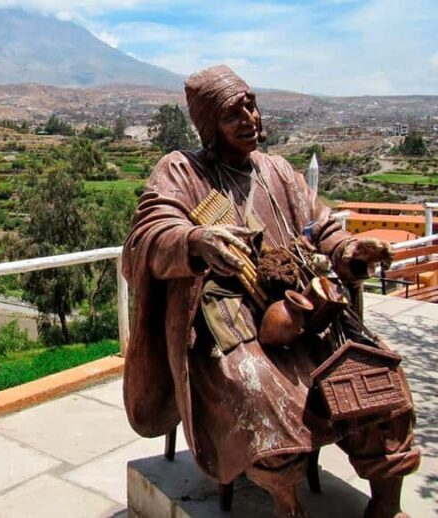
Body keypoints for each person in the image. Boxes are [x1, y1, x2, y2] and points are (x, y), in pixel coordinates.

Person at [121, 65, 419, 518]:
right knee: (259, 391)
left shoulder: (276, 171)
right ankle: (286, 502)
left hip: (303, 320)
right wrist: (194, 241)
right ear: (209, 125)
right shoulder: (182, 171)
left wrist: (350, 249)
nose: (250, 119)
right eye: (233, 113)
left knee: (376, 368)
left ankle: (386, 504)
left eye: (252, 106)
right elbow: (147, 237)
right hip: (226, 329)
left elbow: (321, 228)